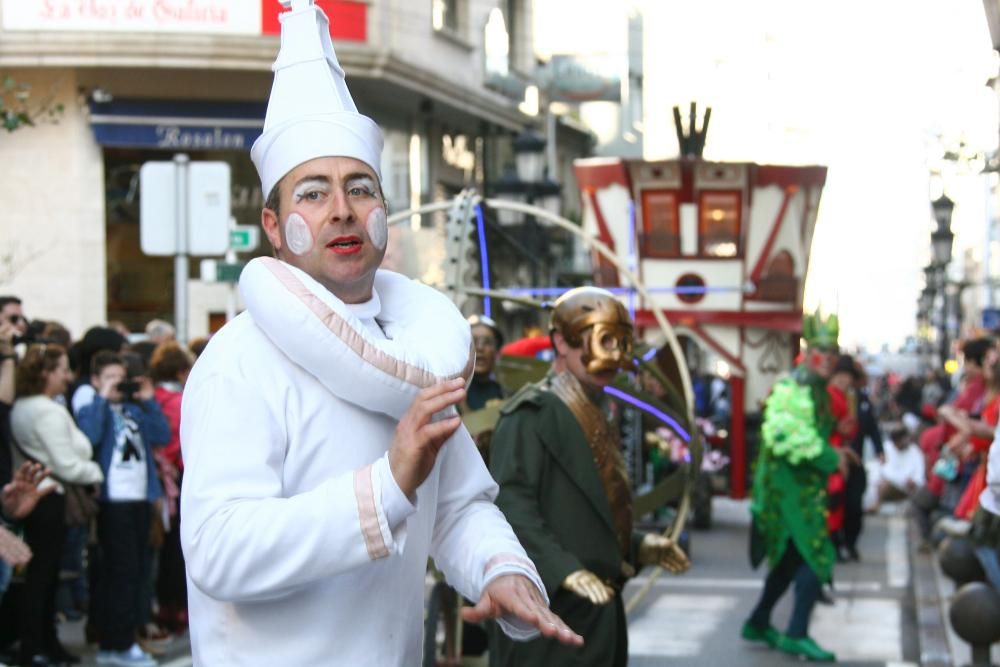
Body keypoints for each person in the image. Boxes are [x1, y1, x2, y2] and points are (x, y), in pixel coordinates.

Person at [178, 2, 581, 665]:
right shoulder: (238, 362)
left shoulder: (414, 358)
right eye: (311, 192)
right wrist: (386, 485)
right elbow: (221, 550)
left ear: (383, 212)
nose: (341, 209)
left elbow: (456, 506)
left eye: (359, 187)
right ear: (275, 228)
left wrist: (502, 570)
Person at [488, 287, 689, 667]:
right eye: (604, 339)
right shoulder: (530, 414)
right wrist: (565, 571)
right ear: (561, 341)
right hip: (549, 620)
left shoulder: (597, 411)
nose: (614, 354)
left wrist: (639, 545)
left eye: (621, 341)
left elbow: (589, 513)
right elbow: (512, 508)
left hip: (599, 615)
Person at [741, 311, 849, 662]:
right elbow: (788, 437)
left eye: (833, 352)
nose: (828, 358)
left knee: (789, 561)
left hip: (804, 491)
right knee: (817, 556)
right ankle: (796, 632)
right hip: (785, 494)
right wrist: (833, 458)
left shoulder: (819, 391)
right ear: (807, 351)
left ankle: (758, 621)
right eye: (822, 350)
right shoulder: (794, 386)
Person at [10, 344, 105, 667]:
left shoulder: (25, 406)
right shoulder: (46, 410)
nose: (67, 376)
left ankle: (40, 644)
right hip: (48, 498)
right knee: (44, 577)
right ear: (45, 373)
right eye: (62, 369)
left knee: (42, 577)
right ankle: (37, 645)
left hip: (38, 497)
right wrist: (97, 472)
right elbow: (67, 464)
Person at [76, 351, 170, 667]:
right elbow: (88, 438)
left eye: (121, 377)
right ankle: (115, 644)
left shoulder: (136, 409)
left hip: (141, 499)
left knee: (138, 573)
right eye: (110, 378)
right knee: (120, 574)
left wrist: (148, 399)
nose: (118, 384)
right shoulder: (93, 408)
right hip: (112, 503)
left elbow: (162, 435)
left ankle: (124, 641)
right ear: (96, 382)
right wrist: (104, 399)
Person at [149, 342, 193, 634]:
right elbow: (182, 443)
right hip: (176, 477)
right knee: (178, 548)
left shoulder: (153, 396)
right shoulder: (179, 400)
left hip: (157, 475)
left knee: (163, 549)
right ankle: (177, 607)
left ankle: (165, 605)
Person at [869, 424, 924, 511]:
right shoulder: (886, 448)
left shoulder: (914, 451)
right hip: (886, 486)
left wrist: (914, 481)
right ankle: (876, 504)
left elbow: (919, 474)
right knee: (883, 484)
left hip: (906, 488)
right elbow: (877, 469)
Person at [464, 314, 506, 412]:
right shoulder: (448, 396)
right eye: (473, 341)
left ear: (497, 352)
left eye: (487, 342)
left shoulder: (507, 396)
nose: (480, 348)